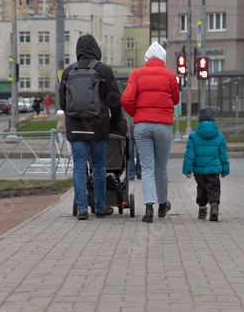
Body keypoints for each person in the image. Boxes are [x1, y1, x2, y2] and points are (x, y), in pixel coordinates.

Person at [59, 34, 122, 220]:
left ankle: (82, 209)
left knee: (79, 166)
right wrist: (115, 121)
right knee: (99, 166)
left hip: (76, 126)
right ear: (96, 50)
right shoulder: (104, 70)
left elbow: (62, 101)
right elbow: (114, 100)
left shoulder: (68, 71)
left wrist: (73, 115)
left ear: (78, 50)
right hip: (98, 126)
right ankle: (101, 208)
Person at [121, 41, 179, 223]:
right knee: (160, 168)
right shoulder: (170, 75)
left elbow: (126, 99)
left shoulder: (136, 73)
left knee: (146, 167)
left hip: (142, 125)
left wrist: (135, 113)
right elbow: (175, 99)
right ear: (163, 58)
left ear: (147, 58)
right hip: (163, 125)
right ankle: (163, 204)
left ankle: (148, 209)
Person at [182, 107, 230, 222]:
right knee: (214, 188)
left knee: (201, 189)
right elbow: (223, 154)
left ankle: (202, 209)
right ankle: (214, 207)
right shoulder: (219, 136)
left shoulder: (193, 136)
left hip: (199, 171)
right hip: (214, 170)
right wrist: (225, 170)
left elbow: (190, 154)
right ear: (213, 120)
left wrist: (187, 170)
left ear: (199, 120)